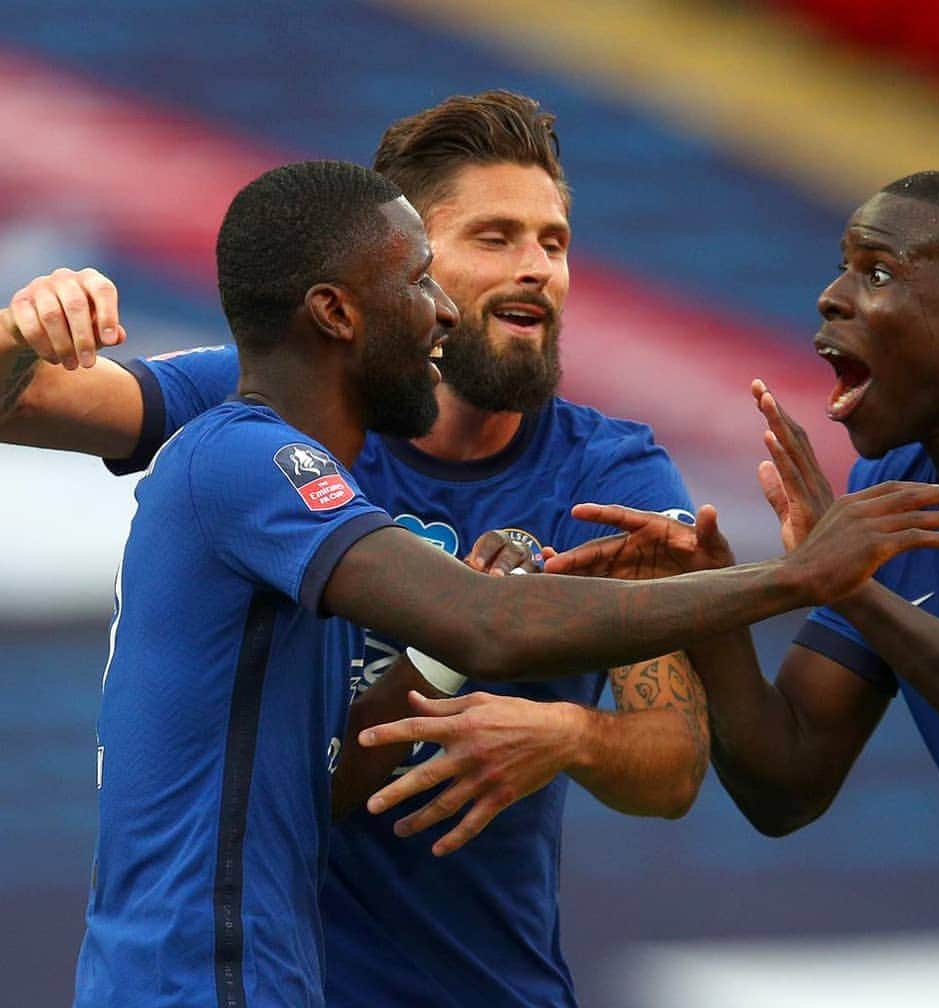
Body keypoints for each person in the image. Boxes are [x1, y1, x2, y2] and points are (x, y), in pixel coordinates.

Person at [1, 91, 705, 1008]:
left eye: (555, 242)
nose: (538, 270)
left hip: (486, 985)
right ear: (398, 262)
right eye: (494, 238)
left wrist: (571, 734)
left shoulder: (614, 476)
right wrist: (20, 330)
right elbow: (15, 401)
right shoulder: (267, 417)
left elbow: (674, 762)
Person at [545, 170, 939, 1007]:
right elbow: (785, 782)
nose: (831, 298)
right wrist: (717, 605)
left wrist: (855, 589)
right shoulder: (890, 492)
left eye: (876, 272)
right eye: (840, 267)